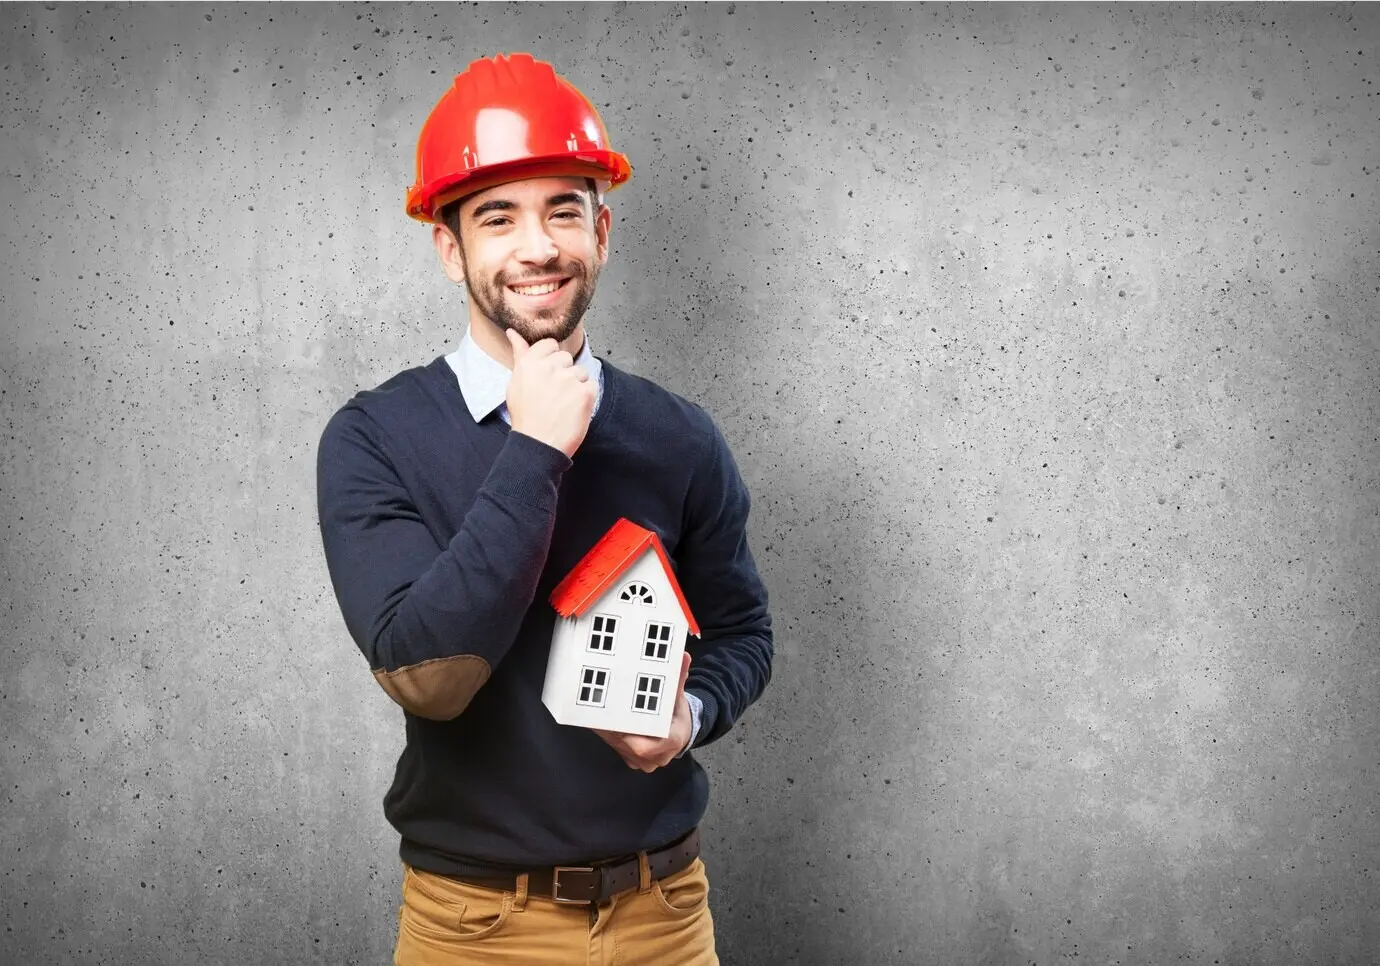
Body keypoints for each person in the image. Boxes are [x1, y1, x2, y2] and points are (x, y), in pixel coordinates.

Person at [315, 52, 773, 965]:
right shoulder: (373, 437)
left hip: (667, 917)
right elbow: (428, 676)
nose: (538, 247)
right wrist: (535, 450)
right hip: (475, 930)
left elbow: (744, 634)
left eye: (564, 209)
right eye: (498, 217)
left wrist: (690, 718)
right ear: (451, 249)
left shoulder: (679, 437)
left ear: (602, 231)